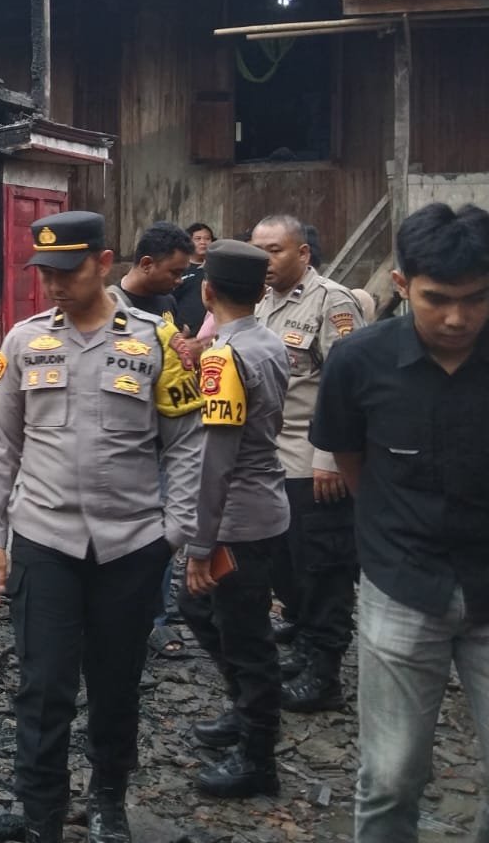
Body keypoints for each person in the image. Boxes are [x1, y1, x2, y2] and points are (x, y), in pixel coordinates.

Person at [0, 210, 203, 843]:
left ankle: (108, 799)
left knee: (115, 683)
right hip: (44, 542)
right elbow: (1, 443)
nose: (53, 285)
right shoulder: (25, 341)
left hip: (131, 547)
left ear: (104, 264)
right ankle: (42, 816)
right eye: (44, 272)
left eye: (67, 272)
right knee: (43, 687)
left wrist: (175, 531)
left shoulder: (156, 342)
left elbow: (187, 443)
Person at [315, 203, 489, 843]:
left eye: (476, 299)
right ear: (401, 284)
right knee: (390, 776)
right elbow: (350, 458)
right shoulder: (358, 361)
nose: (457, 318)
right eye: (437, 299)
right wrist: (393, 530)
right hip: (401, 585)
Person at [173, 240, 291, 798]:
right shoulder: (268, 341)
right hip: (263, 503)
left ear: (207, 292)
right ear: (261, 292)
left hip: (236, 518)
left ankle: (258, 757)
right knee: (199, 608)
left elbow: (216, 460)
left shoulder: (224, 357)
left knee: (247, 638)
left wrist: (201, 546)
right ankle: (245, 709)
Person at [250, 213, 363, 711]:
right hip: (269, 459)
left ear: (302, 253)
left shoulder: (332, 302)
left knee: (323, 566)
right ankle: (303, 635)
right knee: (284, 561)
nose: (265, 260)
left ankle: (325, 672)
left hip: (311, 460)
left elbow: (349, 386)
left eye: (274, 250)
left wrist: (331, 458)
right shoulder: (261, 301)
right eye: (258, 250)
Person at [111, 221, 200, 660]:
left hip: (166, 439)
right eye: (175, 271)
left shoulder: (166, 302)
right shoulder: (112, 307)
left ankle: (156, 618)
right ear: (146, 263)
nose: (180, 280)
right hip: (128, 447)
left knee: (159, 533)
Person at [174, 222, 215, 335]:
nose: (203, 242)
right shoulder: (179, 268)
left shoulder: (216, 269)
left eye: (207, 239)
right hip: (182, 332)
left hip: (209, 332)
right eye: (198, 239)